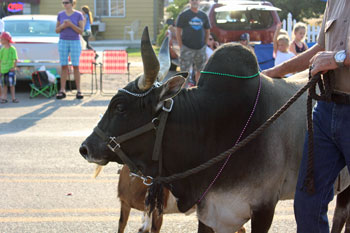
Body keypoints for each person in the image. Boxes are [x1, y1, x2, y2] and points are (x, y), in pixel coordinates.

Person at [263, 1, 350, 232]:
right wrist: (271, 74)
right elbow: (319, 49)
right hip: (327, 109)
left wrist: (338, 58)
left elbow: (330, 55)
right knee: (307, 202)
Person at [176, 0, 210, 85]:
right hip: (187, 48)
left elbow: (207, 30)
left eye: (196, 0)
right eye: (193, 0)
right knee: (184, 73)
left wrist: (204, 45)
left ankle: (198, 91)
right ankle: (183, 92)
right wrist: (181, 46)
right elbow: (178, 31)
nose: (195, 1)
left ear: (199, 1)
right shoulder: (184, 15)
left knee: (200, 71)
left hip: (200, 49)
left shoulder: (204, 15)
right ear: (190, 1)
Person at [55, 0, 84, 99]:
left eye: (67, 2)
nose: (65, 4)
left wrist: (71, 25)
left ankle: (79, 90)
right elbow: (57, 30)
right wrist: (63, 25)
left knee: (76, 66)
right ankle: (62, 90)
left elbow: (81, 31)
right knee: (64, 66)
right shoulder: (60, 14)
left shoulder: (78, 15)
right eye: (63, 2)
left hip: (75, 41)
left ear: (72, 3)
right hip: (63, 41)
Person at [0, 31, 18, 104]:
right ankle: (4, 97)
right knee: (4, 85)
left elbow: (15, 59)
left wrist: (14, 67)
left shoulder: (12, 49)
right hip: (3, 70)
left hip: (10, 70)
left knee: (12, 85)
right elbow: (0, 60)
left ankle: (13, 98)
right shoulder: (2, 50)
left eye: (2, 39)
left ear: (7, 40)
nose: (1, 41)